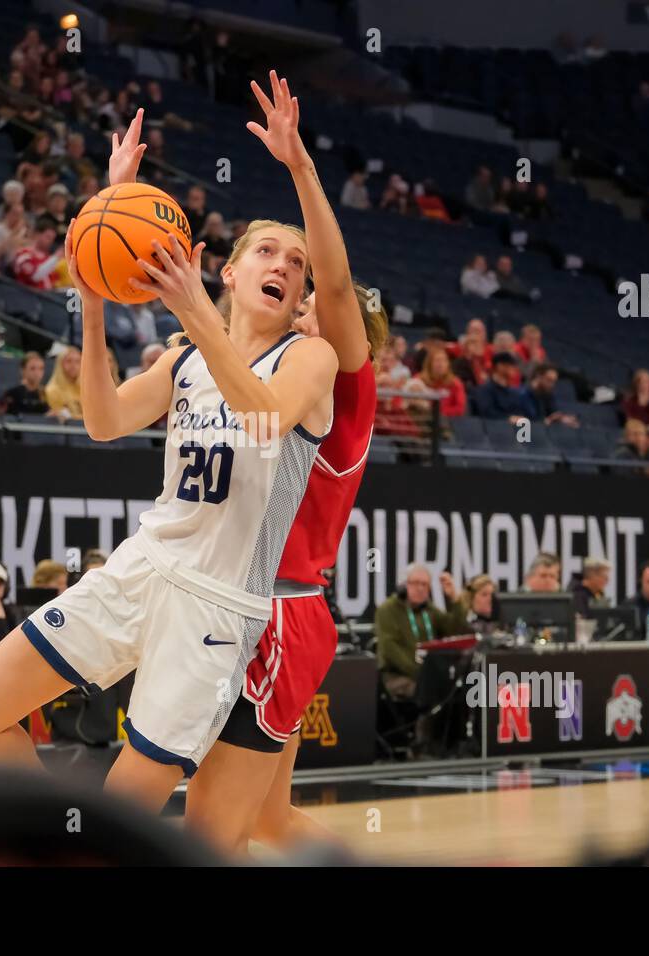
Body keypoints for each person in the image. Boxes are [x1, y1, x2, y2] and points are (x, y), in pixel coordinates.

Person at [0, 86, 338, 820]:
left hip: (217, 610)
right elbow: (101, 420)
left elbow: (262, 421)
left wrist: (190, 309)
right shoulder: (182, 360)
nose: (284, 265)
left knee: (123, 819)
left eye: (297, 264)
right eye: (267, 251)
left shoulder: (310, 362)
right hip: (141, 567)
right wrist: (91, 295)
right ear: (228, 269)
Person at [184, 75, 389, 855]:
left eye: (307, 299)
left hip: (278, 608)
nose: (299, 304)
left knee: (210, 836)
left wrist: (300, 167)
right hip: (249, 603)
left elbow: (335, 283)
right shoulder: (268, 370)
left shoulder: (338, 372)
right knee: (267, 822)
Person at [373, 564, 449, 700]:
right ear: (403, 585)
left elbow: (454, 630)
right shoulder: (387, 610)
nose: (420, 588)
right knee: (430, 693)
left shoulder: (430, 610)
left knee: (456, 689)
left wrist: (455, 600)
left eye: (424, 584)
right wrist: (421, 674)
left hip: (427, 675)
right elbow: (390, 650)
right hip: (396, 676)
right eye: (415, 583)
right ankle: (424, 721)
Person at [1, 350, 50, 415]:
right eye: (32, 368)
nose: (37, 373)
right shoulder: (13, 393)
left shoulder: (46, 394)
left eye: (41, 368)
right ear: (23, 370)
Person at [43, 345, 82, 419]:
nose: (73, 365)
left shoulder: (85, 389)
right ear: (60, 364)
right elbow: (62, 418)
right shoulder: (52, 390)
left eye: (78, 361)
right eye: (69, 361)